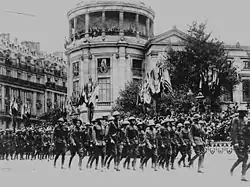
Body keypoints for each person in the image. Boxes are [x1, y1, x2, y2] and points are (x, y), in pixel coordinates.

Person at [230, 106, 249, 181]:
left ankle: (243, 175)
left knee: (246, 158)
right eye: (243, 112)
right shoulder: (235, 120)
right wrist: (236, 142)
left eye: (245, 112)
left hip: (245, 141)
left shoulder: (246, 119)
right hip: (238, 141)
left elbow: (247, 131)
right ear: (240, 112)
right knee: (241, 158)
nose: (244, 113)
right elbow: (233, 131)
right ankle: (232, 169)